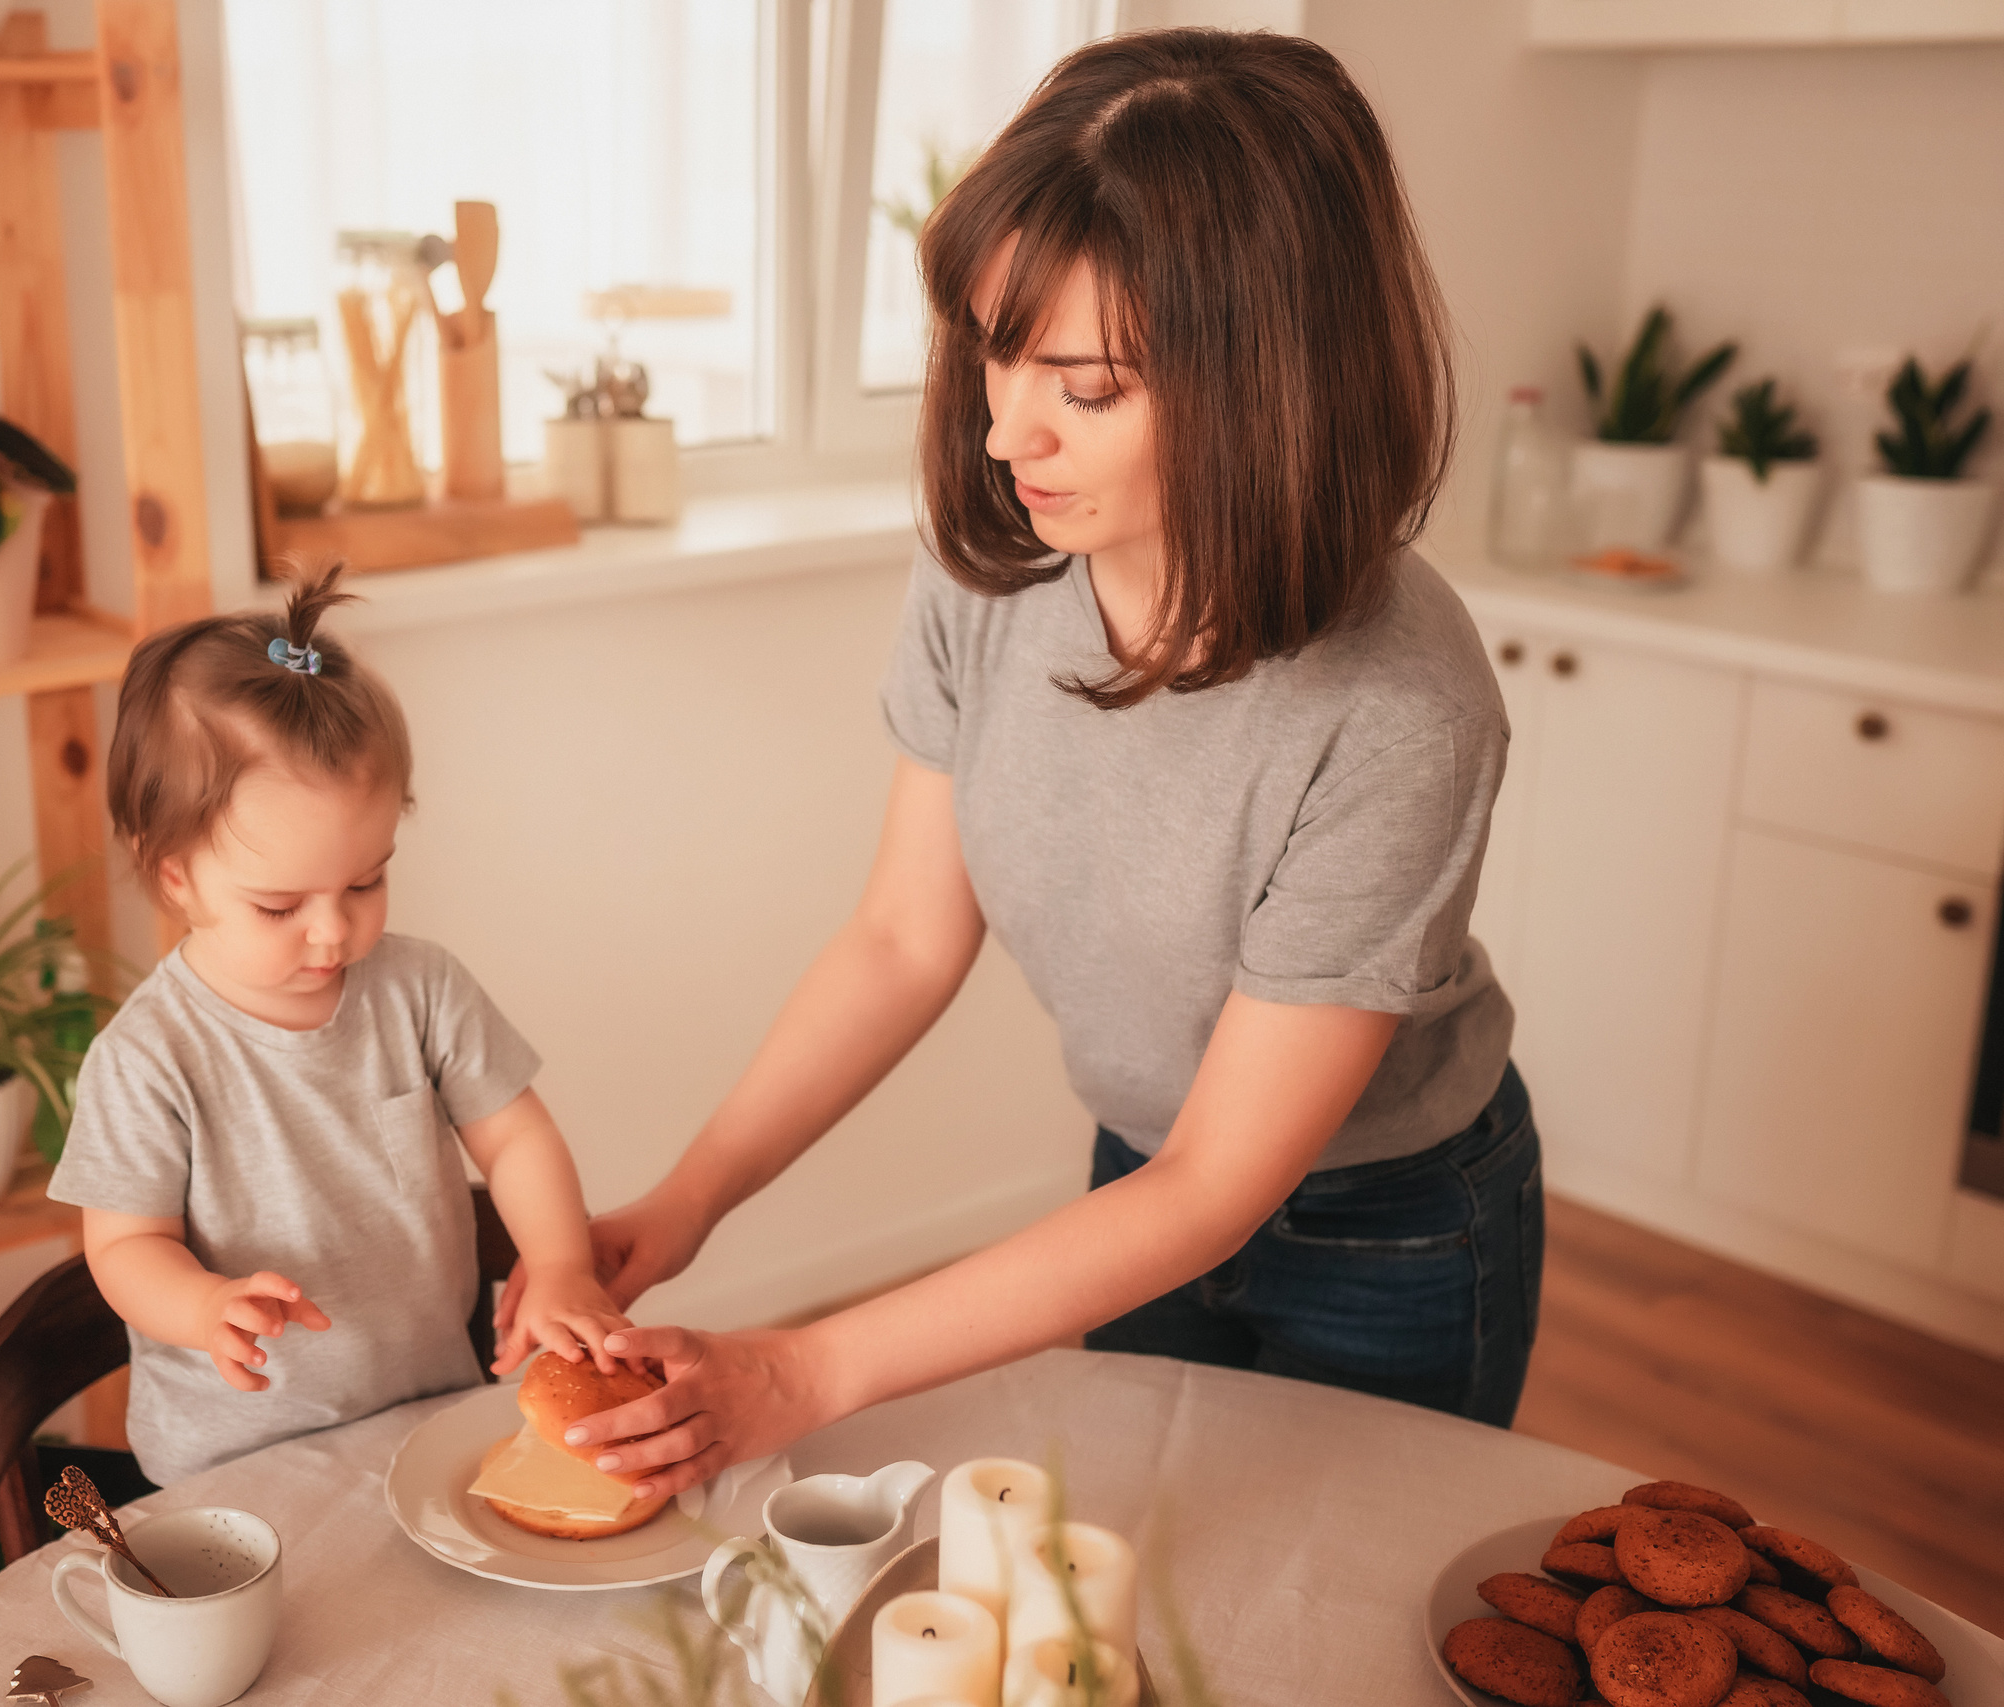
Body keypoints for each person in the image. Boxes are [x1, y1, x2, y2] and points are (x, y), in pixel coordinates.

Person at [519, 28, 1537, 1503]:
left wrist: (804, 1368)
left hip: (1391, 1225)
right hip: (1140, 1167)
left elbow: (1220, 1187)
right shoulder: (995, 569)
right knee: (1124, 1555)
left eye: (1089, 386)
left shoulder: (1399, 707)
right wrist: (689, 1196)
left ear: (1274, 381)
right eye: (997, 351)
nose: (1008, 432)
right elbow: (901, 935)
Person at [49, 568, 627, 1487]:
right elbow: (122, 1246)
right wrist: (203, 1306)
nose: (335, 930)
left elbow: (515, 1135)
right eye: (280, 905)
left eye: (366, 881)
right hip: (238, 1460)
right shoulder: (146, 1058)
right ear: (173, 878)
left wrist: (559, 1263)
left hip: (427, 1417)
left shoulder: (420, 987)